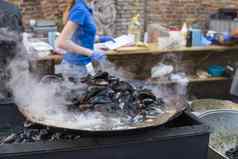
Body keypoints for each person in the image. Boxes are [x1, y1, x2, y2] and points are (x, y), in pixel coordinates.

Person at [57, 0, 113, 78]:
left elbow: (80, 36)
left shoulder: (84, 7)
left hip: (82, 65)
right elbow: (62, 42)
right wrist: (91, 53)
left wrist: (99, 39)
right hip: (74, 68)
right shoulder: (80, 10)